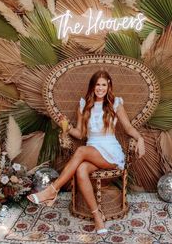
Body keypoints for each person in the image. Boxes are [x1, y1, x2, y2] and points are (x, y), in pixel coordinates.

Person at [27, 70, 146, 235]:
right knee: (81, 169)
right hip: (92, 151)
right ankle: (97, 216)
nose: (100, 88)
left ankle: (51, 191)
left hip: (110, 152)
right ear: (92, 86)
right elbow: (81, 134)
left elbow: (128, 127)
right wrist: (67, 127)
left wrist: (140, 138)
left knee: (82, 150)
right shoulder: (84, 105)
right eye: (97, 84)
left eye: (104, 85)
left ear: (109, 86)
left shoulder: (115, 103)